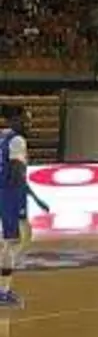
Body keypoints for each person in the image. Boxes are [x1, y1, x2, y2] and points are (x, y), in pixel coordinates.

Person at [0, 106, 28, 307]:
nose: (25, 123)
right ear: (13, 119)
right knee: (12, 243)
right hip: (8, 194)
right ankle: (3, 292)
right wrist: (19, 196)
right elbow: (17, 170)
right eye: (23, 119)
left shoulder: (1, 137)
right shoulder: (17, 140)